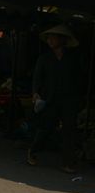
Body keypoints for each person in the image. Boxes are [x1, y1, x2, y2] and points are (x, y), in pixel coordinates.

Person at [27, 24, 81, 173]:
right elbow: (37, 77)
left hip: (68, 98)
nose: (50, 40)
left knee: (69, 130)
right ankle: (33, 151)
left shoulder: (72, 58)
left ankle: (67, 162)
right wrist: (35, 93)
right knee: (46, 127)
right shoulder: (45, 58)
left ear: (62, 40)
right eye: (49, 38)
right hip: (50, 97)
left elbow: (78, 77)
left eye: (54, 37)